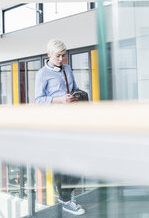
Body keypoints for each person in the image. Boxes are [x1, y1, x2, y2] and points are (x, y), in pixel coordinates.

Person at [35, 39, 85, 215]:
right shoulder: (42, 74)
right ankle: (65, 199)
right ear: (49, 54)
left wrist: (76, 95)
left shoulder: (67, 68)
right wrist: (60, 100)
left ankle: (65, 196)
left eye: (64, 55)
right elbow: (39, 100)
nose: (62, 59)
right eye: (58, 55)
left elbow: (74, 87)